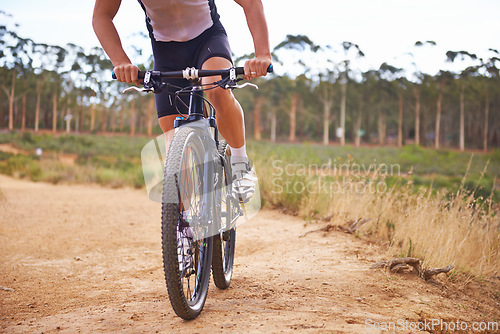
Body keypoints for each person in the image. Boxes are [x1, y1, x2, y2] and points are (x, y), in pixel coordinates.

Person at [92, 0, 272, 203]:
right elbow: (102, 15)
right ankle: (182, 228)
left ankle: (240, 162)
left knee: (217, 91)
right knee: (174, 148)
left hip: (208, 40)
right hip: (167, 54)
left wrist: (262, 54)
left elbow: (250, 3)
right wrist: (121, 61)